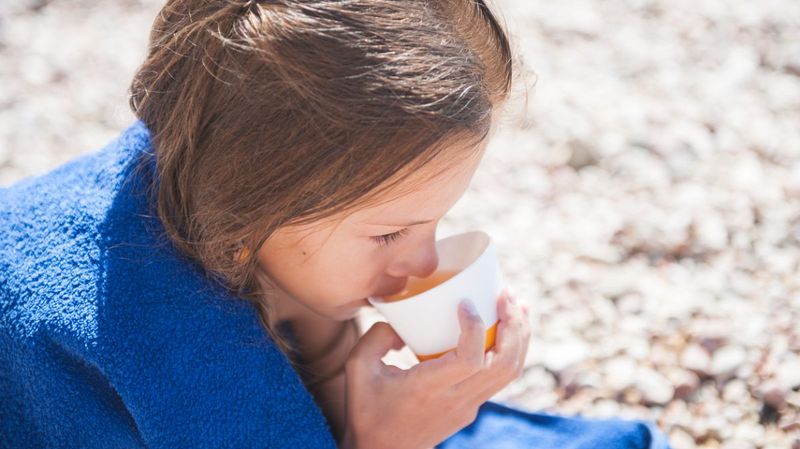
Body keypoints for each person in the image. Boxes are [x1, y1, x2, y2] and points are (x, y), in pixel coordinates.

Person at [0, 1, 671, 448]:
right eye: (389, 233)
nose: (420, 261)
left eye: (435, 221)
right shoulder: (160, 344)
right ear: (247, 214)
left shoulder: (248, 213)